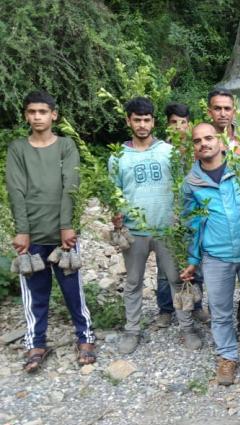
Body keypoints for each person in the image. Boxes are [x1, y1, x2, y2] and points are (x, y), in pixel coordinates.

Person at [6, 90, 96, 372]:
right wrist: (22, 230)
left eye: (42, 112)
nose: (37, 117)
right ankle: (36, 343)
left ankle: (86, 337)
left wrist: (66, 225)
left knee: (73, 290)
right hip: (30, 236)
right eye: (32, 112)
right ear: (26, 116)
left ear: (53, 115)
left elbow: (71, 184)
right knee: (35, 292)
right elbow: (16, 190)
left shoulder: (66, 146)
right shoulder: (18, 148)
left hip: (63, 237)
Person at [180, 122, 240, 385]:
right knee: (220, 310)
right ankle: (227, 356)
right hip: (216, 256)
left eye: (209, 138)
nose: (204, 144)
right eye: (198, 141)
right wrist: (192, 260)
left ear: (221, 141)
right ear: (194, 148)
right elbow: (192, 224)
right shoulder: (191, 183)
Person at [109, 97, 200, 354]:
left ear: (153, 122)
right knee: (134, 282)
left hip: (167, 229)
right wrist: (115, 216)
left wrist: (181, 219)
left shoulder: (168, 152)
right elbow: (114, 191)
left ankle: (187, 327)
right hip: (134, 231)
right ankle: (132, 329)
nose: (141, 124)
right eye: (136, 119)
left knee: (176, 279)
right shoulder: (118, 157)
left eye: (146, 119)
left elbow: (183, 187)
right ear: (128, 121)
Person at [207, 88, 240, 343]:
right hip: (216, 235)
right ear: (209, 111)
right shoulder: (201, 143)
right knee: (220, 298)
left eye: (227, 108)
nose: (223, 113)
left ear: (234, 111)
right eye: (218, 108)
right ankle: (225, 346)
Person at [155, 102, 210, 328]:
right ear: (167, 126)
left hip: (194, 214)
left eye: (183, 122)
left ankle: (195, 306)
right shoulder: (161, 152)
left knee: (195, 259)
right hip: (169, 215)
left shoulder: (199, 149)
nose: (178, 127)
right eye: (173, 123)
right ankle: (166, 308)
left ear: (190, 124)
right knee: (164, 265)